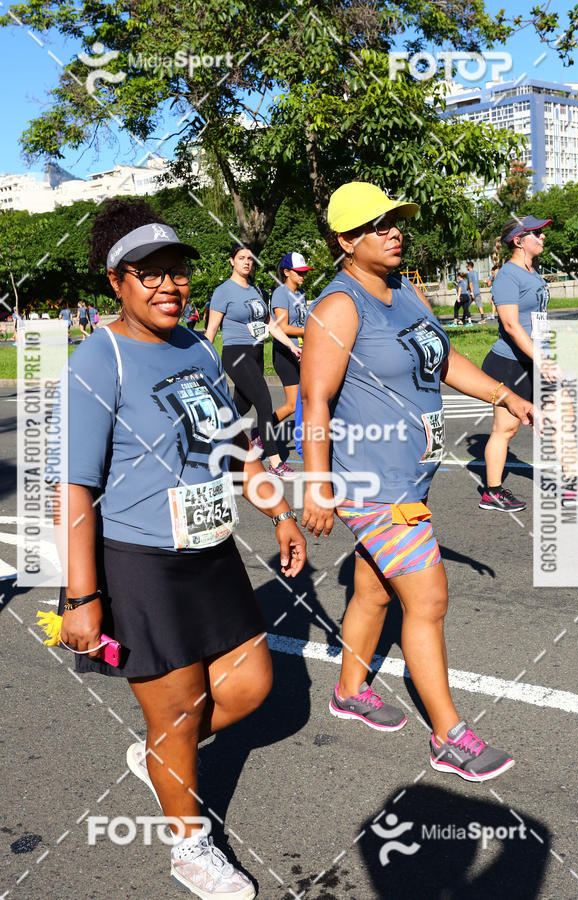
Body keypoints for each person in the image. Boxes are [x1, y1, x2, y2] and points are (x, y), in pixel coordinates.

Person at [59, 197, 306, 898]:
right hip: (140, 564)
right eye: (149, 274)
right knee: (176, 711)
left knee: (251, 685)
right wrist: (80, 598)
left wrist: (278, 514)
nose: (168, 285)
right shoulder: (97, 359)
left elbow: (239, 443)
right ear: (116, 281)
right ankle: (188, 848)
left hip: (211, 551)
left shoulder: (198, 347)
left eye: (177, 271)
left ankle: (160, 754)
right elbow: (75, 489)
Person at [301, 181, 535, 781]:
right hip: (371, 482)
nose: (394, 231)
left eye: (395, 220)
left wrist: (504, 393)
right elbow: (315, 399)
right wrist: (318, 483)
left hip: (411, 473)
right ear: (345, 241)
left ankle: (350, 689)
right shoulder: (339, 306)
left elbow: (445, 358)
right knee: (427, 601)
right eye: (377, 225)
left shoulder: (406, 290)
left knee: (376, 590)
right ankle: (449, 736)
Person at [480, 215, 578, 511]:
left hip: (537, 360)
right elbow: (510, 325)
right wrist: (541, 359)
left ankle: (572, 487)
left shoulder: (532, 272)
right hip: (512, 364)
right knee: (505, 430)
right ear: (518, 241)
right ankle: (492, 492)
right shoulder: (507, 275)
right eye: (536, 233)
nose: (543, 237)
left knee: (563, 421)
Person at [205, 244, 302, 480]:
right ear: (232, 261)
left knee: (241, 405)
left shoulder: (255, 289)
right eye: (241, 258)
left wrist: (290, 345)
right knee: (264, 401)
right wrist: (203, 362)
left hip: (256, 353)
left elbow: (271, 324)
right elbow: (211, 331)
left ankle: (210, 437)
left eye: (250, 258)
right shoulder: (223, 291)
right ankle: (276, 463)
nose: (247, 262)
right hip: (236, 354)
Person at [270, 252, 311, 433]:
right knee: (293, 405)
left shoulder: (301, 294)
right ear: (287, 272)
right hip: (285, 353)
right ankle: (262, 430)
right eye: (299, 272)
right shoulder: (280, 293)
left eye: (304, 272)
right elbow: (283, 327)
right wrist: (311, 330)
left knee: (307, 400)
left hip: (302, 351)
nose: (303, 276)